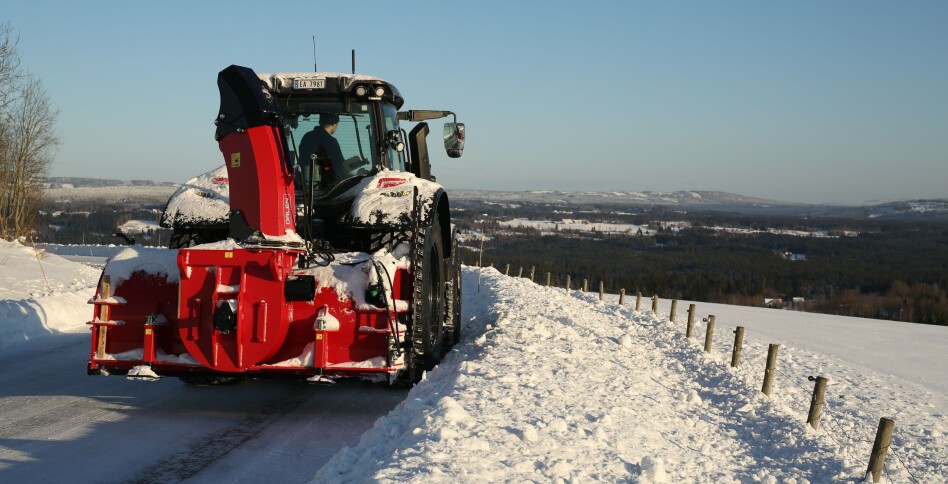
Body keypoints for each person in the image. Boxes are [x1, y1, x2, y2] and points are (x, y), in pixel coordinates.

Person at [298, 113, 345, 188]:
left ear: (320, 122)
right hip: (323, 186)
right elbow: (340, 164)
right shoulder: (330, 141)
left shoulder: (307, 136)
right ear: (334, 124)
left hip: (303, 181)